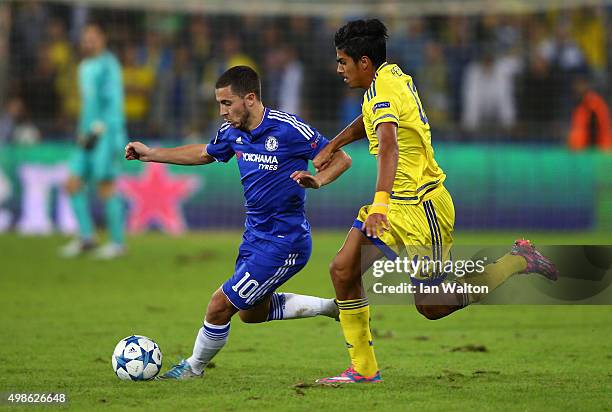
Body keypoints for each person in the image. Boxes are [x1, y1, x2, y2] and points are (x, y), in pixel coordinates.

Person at [313, 19, 558, 384]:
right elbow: (372, 120)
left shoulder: (382, 90)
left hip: (423, 208)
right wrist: (333, 144)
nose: (338, 69)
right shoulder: (389, 78)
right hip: (398, 204)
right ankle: (363, 369)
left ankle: (517, 261)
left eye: (343, 62)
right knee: (342, 269)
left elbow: (389, 146)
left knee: (432, 306)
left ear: (364, 62)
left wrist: (378, 205)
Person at [125, 66, 352, 380]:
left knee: (220, 305)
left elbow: (342, 158)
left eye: (227, 103)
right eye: (219, 104)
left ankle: (193, 367)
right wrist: (151, 154)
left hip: (286, 240)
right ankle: (332, 308)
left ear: (250, 98)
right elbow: (205, 153)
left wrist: (319, 179)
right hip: (254, 237)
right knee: (251, 313)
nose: (222, 111)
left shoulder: (288, 128)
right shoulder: (232, 132)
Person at [60, 22, 126, 259]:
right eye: (85, 38)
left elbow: (114, 103)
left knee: (105, 186)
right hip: (86, 135)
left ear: (103, 39)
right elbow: (89, 106)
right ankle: (87, 237)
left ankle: (118, 244)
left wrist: (113, 134)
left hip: (105, 134)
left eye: (93, 38)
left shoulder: (109, 66)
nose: (88, 42)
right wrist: (82, 130)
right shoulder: (84, 66)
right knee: (72, 183)